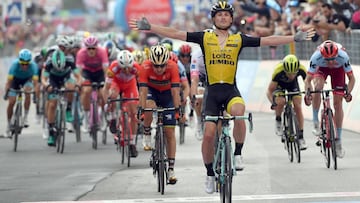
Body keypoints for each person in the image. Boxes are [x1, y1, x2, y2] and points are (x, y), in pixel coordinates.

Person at [129, 0, 315, 194]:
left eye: (227, 14)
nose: (223, 17)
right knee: (208, 134)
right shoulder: (205, 37)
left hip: (230, 91)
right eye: (219, 14)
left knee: (240, 112)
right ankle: (209, 173)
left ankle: (237, 154)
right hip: (212, 93)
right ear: (214, 18)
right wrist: (150, 27)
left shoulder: (238, 39)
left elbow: (267, 40)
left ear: (232, 18)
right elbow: (176, 33)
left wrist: (294, 37)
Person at [138, 44, 181, 184]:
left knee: (170, 133)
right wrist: (142, 108)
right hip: (152, 92)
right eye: (156, 66)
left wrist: (177, 109)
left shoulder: (173, 66)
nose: (159, 69)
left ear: (166, 62)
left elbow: (175, 91)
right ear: (151, 62)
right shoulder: (145, 67)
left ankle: (171, 169)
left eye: (162, 66)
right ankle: (147, 132)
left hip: (168, 94)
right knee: (149, 106)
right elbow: (143, 92)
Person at [304, 40, 355, 158]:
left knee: (338, 103)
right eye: (327, 59)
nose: (331, 62)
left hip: (339, 70)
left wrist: (348, 92)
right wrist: (308, 92)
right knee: (318, 86)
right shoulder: (316, 57)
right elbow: (307, 80)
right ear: (322, 56)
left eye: (333, 59)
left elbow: (352, 79)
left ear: (337, 55)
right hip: (321, 69)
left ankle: (338, 140)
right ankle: (316, 121)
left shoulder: (343, 56)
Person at [104, 50, 141, 157]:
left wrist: (141, 100)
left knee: (133, 113)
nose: (126, 70)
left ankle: (132, 143)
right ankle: (113, 117)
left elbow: (143, 86)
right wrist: (107, 102)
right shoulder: (113, 68)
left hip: (130, 85)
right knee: (113, 96)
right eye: (123, 68)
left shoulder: (136, 68)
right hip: (117, 83)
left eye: (128, 67)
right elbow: (106, 88)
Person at [266, 54, 307, 150]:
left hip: (293, 86)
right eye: (289, 73)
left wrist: (309, 94)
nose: (292, 76)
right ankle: (278, 120)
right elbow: (269, 90)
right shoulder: (278, 71)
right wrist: (273, 102)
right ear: (284, 70)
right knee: (281, 102)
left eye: (294, 73)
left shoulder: (301, 68)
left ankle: (301, 137)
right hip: (280, 86)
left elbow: (307, 83)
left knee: (298, 106)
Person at [41, 49, 82, 146]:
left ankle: (68, 109)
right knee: (52, 104)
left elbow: (78, 77)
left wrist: (78, 85)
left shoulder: (69, 61)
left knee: (71, 86)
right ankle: (51, 132)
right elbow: (43, 79)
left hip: (65, 78)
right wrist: (47, 86)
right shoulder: (49, 63)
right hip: (53, 80)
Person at [76, 36, 109, 133]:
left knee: (103, 93)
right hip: (87, 73)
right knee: (86, 91)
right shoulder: (81, 53)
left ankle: (102, 115)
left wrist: (106, 83)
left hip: (99, 73)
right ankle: (86, 118)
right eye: (89, 48)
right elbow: (79, 72)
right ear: (85, 48)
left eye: (93, 48)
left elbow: (106, 70)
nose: (91, 50)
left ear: (97, 47)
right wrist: (80, 81)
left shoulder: (102, 52)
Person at [3, 49, 39, 137]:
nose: (24, 66)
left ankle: (25, 117)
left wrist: (35, 95)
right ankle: (8, 124)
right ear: (19, 61)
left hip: (27, 80)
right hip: (15, 81)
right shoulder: (14, 65)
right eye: (22, 63)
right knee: (11, 102)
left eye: (27, 64)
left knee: (28, 91)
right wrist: (6, 93)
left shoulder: (34, 66)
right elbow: (8, 82)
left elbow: (35, 83)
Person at [190, 48, 207, 140]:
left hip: (214, 75)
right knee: (199, 96)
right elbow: (194, 79)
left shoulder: (219, 51)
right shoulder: (196, 55)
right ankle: (199, 122)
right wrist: (194, 96)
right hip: (201, 76)